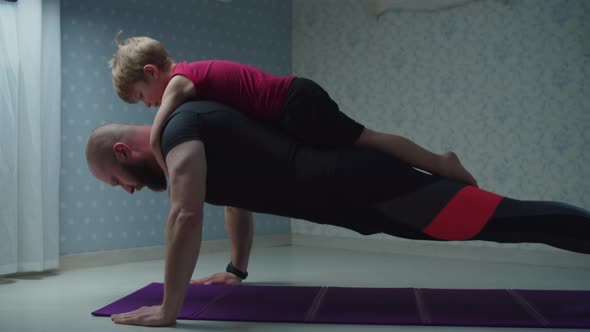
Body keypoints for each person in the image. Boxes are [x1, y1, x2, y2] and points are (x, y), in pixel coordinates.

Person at [86, 100, 589, 327]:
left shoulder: (178, 130)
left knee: (509, 221)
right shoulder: (190, 134)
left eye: (116, 182)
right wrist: (237, 270)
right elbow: (234, 198)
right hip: (355, 199)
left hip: (364, 185)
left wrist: (170, 309)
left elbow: (185, 216)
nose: (127, 192)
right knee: (508, 221)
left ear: (125, 155)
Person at [108, 34, 477, 186]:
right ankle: (434, 166)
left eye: (143, 95)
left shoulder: (179, 82)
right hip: (293, 104)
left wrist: (164, 165)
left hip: (296, 103)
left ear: (152, 73)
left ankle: (441, 164)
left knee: (367, 141)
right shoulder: (189, 77)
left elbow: (157, 133)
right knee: (360, 146)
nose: (149, 104)